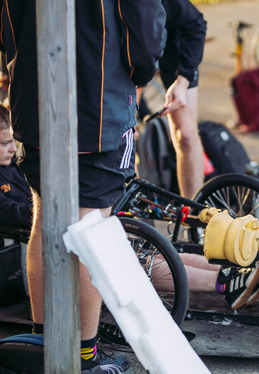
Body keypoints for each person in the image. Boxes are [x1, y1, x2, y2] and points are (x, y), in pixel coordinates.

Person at [0, 1, 167, 373]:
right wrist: (140, 71)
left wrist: (18, 56)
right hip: (98, 106)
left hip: (34, 98)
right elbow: (145, 31)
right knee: (90, 228)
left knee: (47, 219)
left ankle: (46, 345)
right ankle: (82, 356)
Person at [159, 0, 207, 199]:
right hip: (115, 52)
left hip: (170, 45)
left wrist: (183, 80)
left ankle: (192, 217)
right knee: (123, 135)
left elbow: (196, 24)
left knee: (185, 135)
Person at [0, 105, 32, 227]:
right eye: (5, 143)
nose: (13, 149)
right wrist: (41, 213)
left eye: (14, 141)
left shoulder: (18, 167)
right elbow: (5, 209)